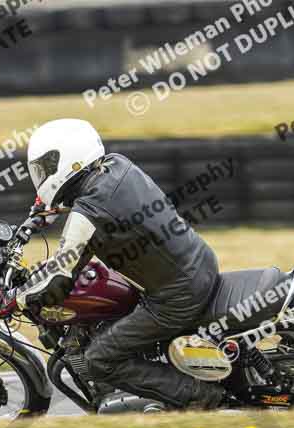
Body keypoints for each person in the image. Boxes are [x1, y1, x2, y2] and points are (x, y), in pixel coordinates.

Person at [14, 118, 226, 409]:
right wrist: (44, 212)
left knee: (99, 359)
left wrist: (18, 298)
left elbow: (58, 278)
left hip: (177, 296)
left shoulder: (88, 214)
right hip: (198, 262)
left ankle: (200, 397)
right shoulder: (116, 165)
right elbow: (96, 205)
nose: (42, 175)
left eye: (46, 167)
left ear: (66, 161)